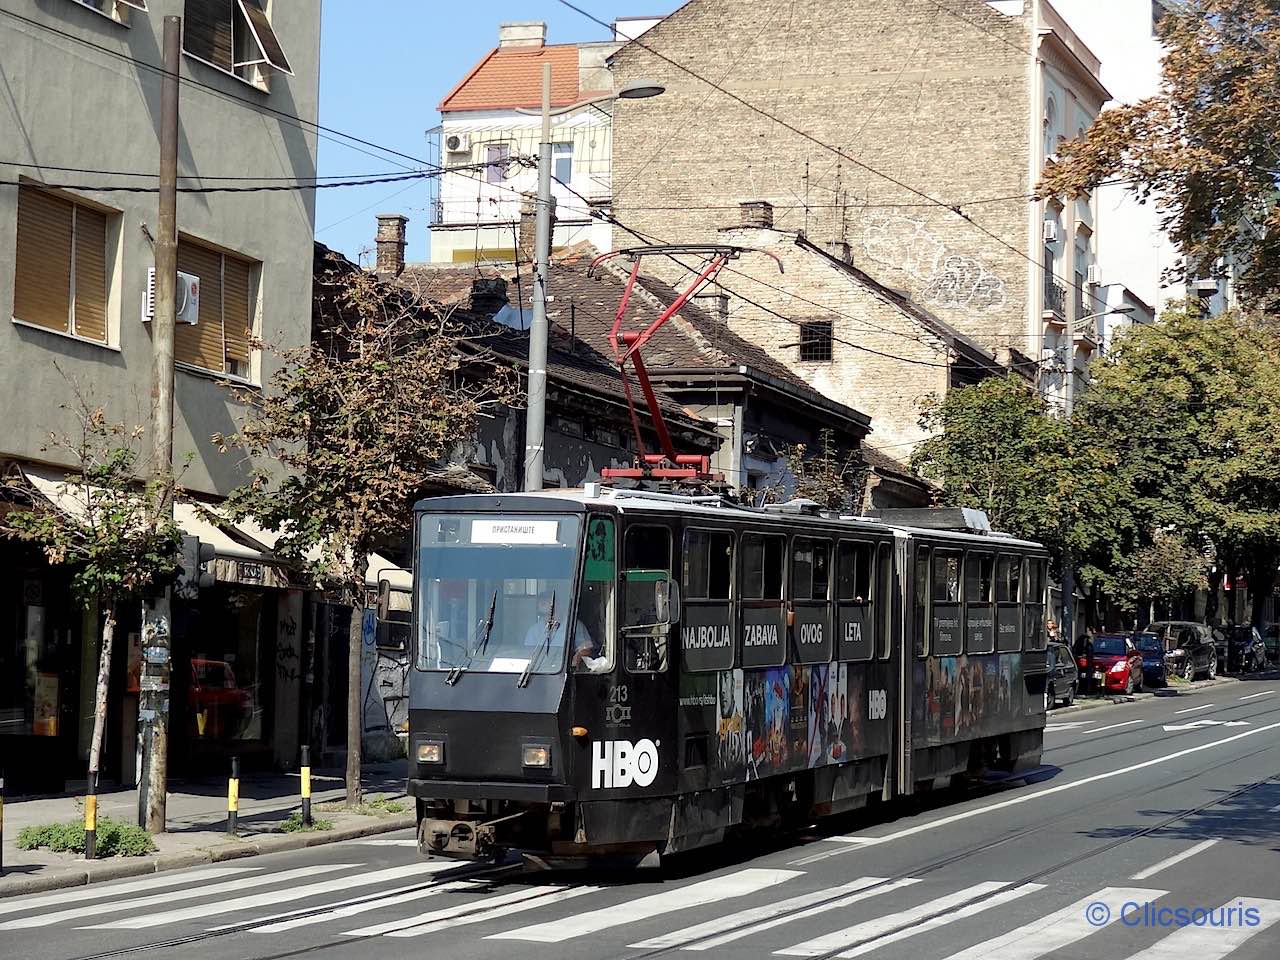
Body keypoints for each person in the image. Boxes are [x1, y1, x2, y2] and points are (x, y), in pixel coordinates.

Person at [523, 590, 606, 673]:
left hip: (566, 672)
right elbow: (528, 655)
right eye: (544, 614)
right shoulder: (534, 630)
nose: (548, 617)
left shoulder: (574, 625)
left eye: (551, 613)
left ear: (559, 606)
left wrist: (578, 656)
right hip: (539, 673)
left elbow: (587, 646)